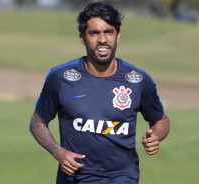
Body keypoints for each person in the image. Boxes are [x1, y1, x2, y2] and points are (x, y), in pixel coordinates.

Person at [29, 2, 170, 184]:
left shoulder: (138, 80)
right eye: (94, 33)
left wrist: (156, 136)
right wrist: (58, 151)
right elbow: (37, 122)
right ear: (82, 38)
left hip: (122, 179)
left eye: (109, 32)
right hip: (74, 180)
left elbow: (160, 120)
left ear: (118, 36)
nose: (102, 39)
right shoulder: (61, 77)